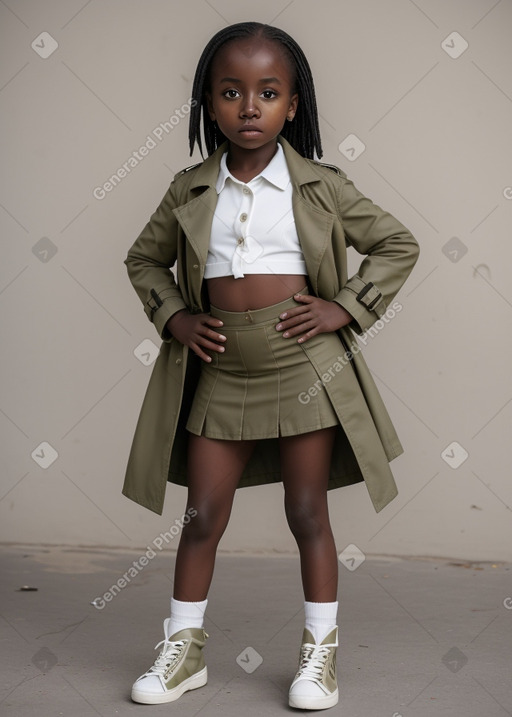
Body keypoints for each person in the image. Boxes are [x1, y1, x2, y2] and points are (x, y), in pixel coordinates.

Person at [123, 21, 419, 710]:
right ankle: (184, 651)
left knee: (307, 509)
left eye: (268, 92)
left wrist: (345, 307)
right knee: (200, 514)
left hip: (306, 367)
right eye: (230, 92)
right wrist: (174, 317)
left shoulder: (320, 185)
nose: (248, 107)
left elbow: (396, 244)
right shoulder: (190, 188)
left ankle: (320, 656)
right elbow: (143, 259)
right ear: (207, 103)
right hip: (223, 372)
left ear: (294, 105)